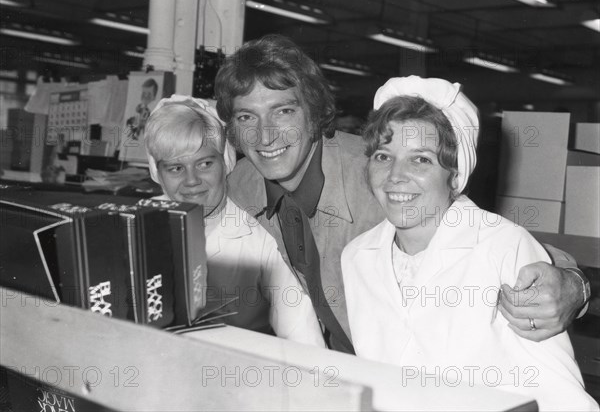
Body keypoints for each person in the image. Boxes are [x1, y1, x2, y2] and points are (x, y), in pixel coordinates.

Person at [215, 34, 589, 353]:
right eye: (247, 117)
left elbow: (493, 244)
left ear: (313, 113)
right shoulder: (238, 189)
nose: (265, 136)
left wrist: (574, 286)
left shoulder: (381, 175)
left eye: (282, 111)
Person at [341, 76, 597, 411]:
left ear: (455, 172)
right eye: (383, 156)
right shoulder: (357, 257)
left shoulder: (502, 246)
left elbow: (560, 394)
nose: (395, 176)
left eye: (420, 159)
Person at [144, 94, 325, 347]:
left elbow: (303, 341)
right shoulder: (135, 228)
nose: (191, 180)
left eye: (205, 163)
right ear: (157, 173)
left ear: (226, 161)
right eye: (175, 168)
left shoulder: (263, 238)